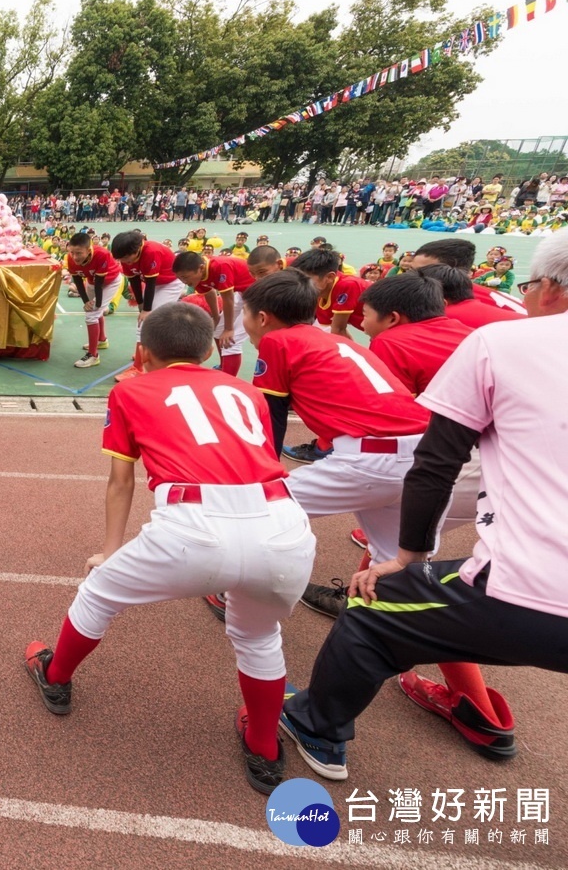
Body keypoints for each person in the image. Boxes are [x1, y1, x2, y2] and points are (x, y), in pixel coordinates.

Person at [278, 231, 568, 781]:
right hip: (439, 472)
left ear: (549, 288)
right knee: (421, 587)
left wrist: (412, 557)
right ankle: (473, 706)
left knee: (386, 600)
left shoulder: (490, 342)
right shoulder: (482, 324)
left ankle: (323, 724)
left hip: (436, 475)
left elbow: (428, 455)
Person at [22, 302, 314, 794]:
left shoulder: (131, 390)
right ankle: (264, 748)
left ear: (144, 349)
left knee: (99, 593)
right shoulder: (246, 392)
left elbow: (121, 481)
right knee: (259, 637)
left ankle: (56, 674)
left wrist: (110, 548)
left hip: (192, 525)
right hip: (282, 523)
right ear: (207, 349)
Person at [205, 270, 430, 620]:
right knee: (397, 564)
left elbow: (272, 418)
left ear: (262, 318)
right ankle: (390, 626)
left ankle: (239, 597)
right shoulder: (339, 340)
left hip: (368, 461)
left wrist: (263, 481)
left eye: (246, 314)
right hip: (422, 457)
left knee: (253, 509)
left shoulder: (278, 342)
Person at [110, 230, 184, 376]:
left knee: (147, 321)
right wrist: (140, 304)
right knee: (144, 319)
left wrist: (146, 309)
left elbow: (150, 283)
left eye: (126, 258)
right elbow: (134, 280)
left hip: (170, 283)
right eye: (122, 259)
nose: (125, 262)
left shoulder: (151, 251)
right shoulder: (127, 257)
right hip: (155, 283)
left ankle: (137, 368)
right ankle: (147, 351)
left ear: (136, 249)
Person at [171, 250, 255, 376]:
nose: (184, 282)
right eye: (180, 278)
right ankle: (224, 366)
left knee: (232, 340)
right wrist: (216, 318)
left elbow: (228, 299)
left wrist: (229, 329)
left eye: (185, 277)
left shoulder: (220, 266)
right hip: (243, 293)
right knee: (218, 330)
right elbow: (209, 293)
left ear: (200, 268)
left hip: (258, 295)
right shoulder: (199, 273)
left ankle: (227, 381)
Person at [64, 232, 123, 369]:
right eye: (72, 252)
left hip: (110, 281)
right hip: (92, 281)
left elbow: (100, 284)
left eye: (79, 253)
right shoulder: (71, 258)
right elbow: (78, 281)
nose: (74, 257)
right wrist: (86, 302)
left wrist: (95, 304)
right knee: (94, 312)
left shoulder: (102, 254)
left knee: (92, 315)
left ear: (89, 249)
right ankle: (101, 340)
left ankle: (93, 355)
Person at [292, 248, 369, 339]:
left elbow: (338, 330)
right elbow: (335, 331)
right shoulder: (320, 294)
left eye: (306, 280)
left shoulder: (347, 285)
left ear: (329, 277)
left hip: (387, 328)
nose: (299, 283)